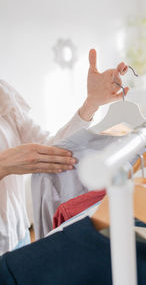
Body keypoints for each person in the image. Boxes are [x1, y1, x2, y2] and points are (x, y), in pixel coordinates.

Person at [0, 48, 129, 254]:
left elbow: (52, 150)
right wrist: (3, 165)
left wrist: (90, 104)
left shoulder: (3, 95)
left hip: (19, 236)